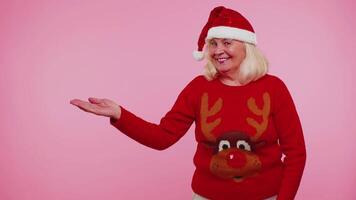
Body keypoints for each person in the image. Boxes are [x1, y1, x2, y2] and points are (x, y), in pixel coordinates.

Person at [70, 6, 306, 200]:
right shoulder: (198, 88)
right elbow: (162, 137)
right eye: (213, 44)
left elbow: (296, 153)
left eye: (227, 42)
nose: (218, 51)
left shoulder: (274, 88)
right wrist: (120, 114)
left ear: (247, 46)